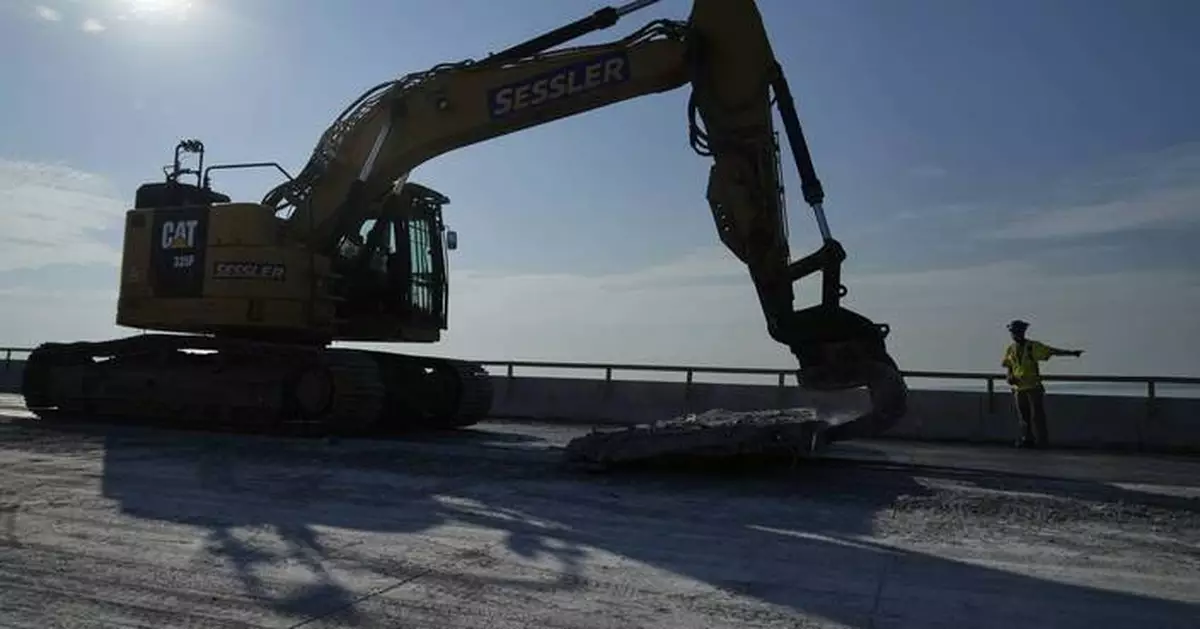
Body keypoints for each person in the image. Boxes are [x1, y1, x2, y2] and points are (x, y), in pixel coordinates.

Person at [1000, 319, 1083, 449]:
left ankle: (1042, 441)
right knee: (1024, 416)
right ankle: (1027, 439)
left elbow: (1051, 351)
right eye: (1012, 332)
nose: (1014, 334)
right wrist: (1009, 376)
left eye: (1016, 332)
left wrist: (1071, 353)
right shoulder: (1010, 349)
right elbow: (1009, 365)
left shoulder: (1032, 346)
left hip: (1033, 386)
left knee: (1037, 416)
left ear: (1022, 332)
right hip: (1019, 388)